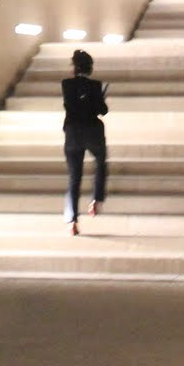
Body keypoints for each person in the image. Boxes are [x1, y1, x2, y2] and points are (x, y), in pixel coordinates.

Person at [60, 49, 109, 236]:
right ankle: (96, 199)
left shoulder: (66, 84)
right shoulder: (96, 86)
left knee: (74, 177)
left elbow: (70, 106)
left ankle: (72, 221)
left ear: (75, 66)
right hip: (92, 132)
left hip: (73, 133)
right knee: (101, 162)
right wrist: (99, 99)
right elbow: (103, 110)